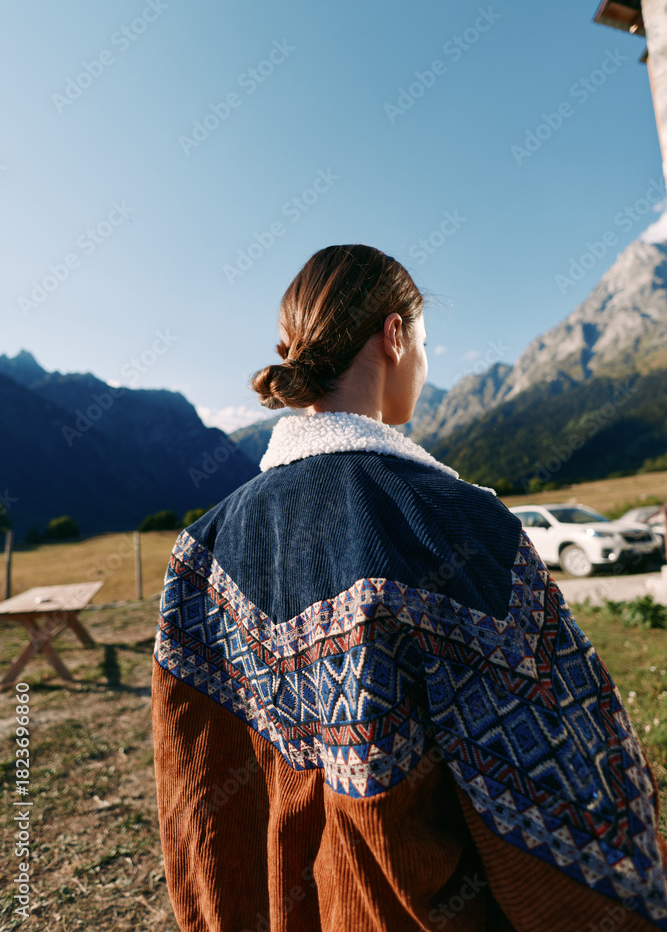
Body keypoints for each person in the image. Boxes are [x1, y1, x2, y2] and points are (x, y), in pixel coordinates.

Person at [151, 244, 667, 931]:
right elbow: (570, 787)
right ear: (394, 336)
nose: (423, 365)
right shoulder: (453, 522)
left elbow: (195, 794)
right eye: (422, 342)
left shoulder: (199, 554)